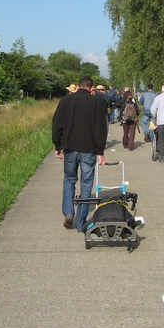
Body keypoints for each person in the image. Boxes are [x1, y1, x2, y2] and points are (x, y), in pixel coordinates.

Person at [52, 76, 107, 232]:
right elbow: (101, 128)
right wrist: (100, 151)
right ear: (91, 88)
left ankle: (69, 213)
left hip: (69, 147)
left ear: (78, 86)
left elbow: (57, 123)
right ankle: (81, 223)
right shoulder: (96, 102)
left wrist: (57, 144)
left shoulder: (66, 100)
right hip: (89, 149)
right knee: (86, 184)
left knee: (69, 179)